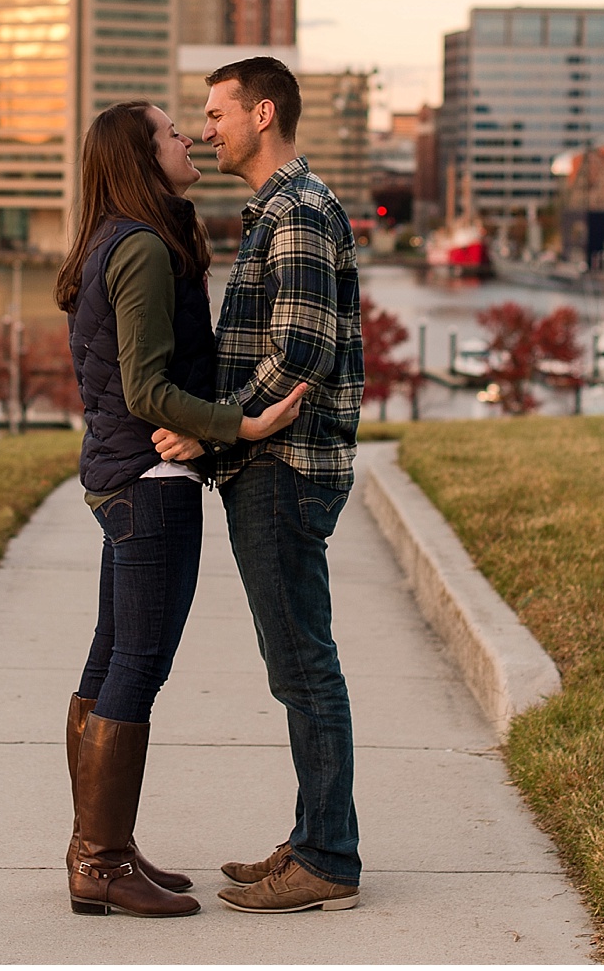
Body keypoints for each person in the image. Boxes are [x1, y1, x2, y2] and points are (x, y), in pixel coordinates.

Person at [56, 100, 309, 919]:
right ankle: (98, 861)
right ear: (140, 156)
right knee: (138, 666)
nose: (190, 137)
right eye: (172, 132)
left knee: (111, 661)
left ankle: (103, 848)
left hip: (125, 477)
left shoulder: (117, 237)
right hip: (150, 483)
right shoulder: (137, 247)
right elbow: (145, 389)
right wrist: (244, 423)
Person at [155, 55, 366, 914]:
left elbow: (300, 353)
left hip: (284, 466)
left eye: (216, 113)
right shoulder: (274, 213)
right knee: (296, 665)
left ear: (262, 112)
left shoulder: (301, 214)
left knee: (304, 667)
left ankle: (327, 860)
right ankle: (314, 836)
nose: (206, 128)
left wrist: (219, 426)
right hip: (267, 465)